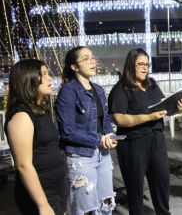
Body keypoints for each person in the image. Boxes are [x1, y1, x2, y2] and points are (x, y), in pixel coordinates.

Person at [108, 48, 182, 215]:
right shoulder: (121, 89)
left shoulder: (151, 84)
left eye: (147, 64)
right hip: (133, 144)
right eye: (140, 64)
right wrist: (148, 117)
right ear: (131, 65)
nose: (145, 68)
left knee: (162, 183)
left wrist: (178, 109)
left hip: (156, 140)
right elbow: (119, 119)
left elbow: (162, 107)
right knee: (135, 190)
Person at [55, 46, 117, 215]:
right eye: (86, 58)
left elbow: (105, 119)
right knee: (87, 209)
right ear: (74, 67)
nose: (92, 61)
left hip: (103, 155)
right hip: (81, 157)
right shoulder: (68, 91)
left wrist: (110, 134)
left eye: (92, 57)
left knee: (106, 204)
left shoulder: (98, 89)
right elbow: (67, 131)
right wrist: (98, 138)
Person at [5, 59, 67, 215]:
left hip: (55, 189)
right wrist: (43, 205)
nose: (50, 78)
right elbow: (23, 165)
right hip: (42, 195)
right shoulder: (22, 115)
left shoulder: (39, 109)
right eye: (44, 74)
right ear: (30, 79)